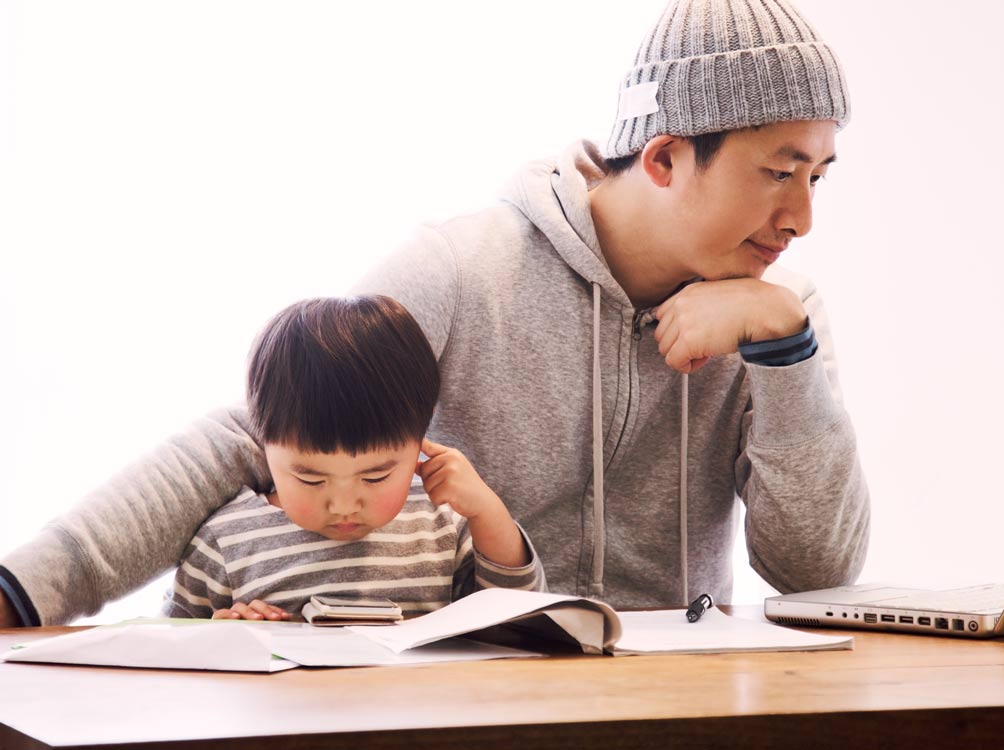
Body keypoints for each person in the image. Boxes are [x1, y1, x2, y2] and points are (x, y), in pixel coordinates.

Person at [0, 0, 870, 626]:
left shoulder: (775, 316)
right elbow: (260, 433)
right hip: (464, 702)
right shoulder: (464, 269)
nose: (802, 217)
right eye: (777, 171)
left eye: (818, 176)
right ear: (668, 156)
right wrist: (24, 589)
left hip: (671, 705)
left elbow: (817, 573)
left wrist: (785, 353)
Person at [164, 295, 545, 621]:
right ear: (264, 445)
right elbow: (163, 659)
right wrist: (219, 639)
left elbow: (523, 622)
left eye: (375, 477)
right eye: (311, 479)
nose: (344, 504)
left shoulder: (443, 524)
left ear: (419, 444)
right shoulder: (226, 543)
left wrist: (488, 513)